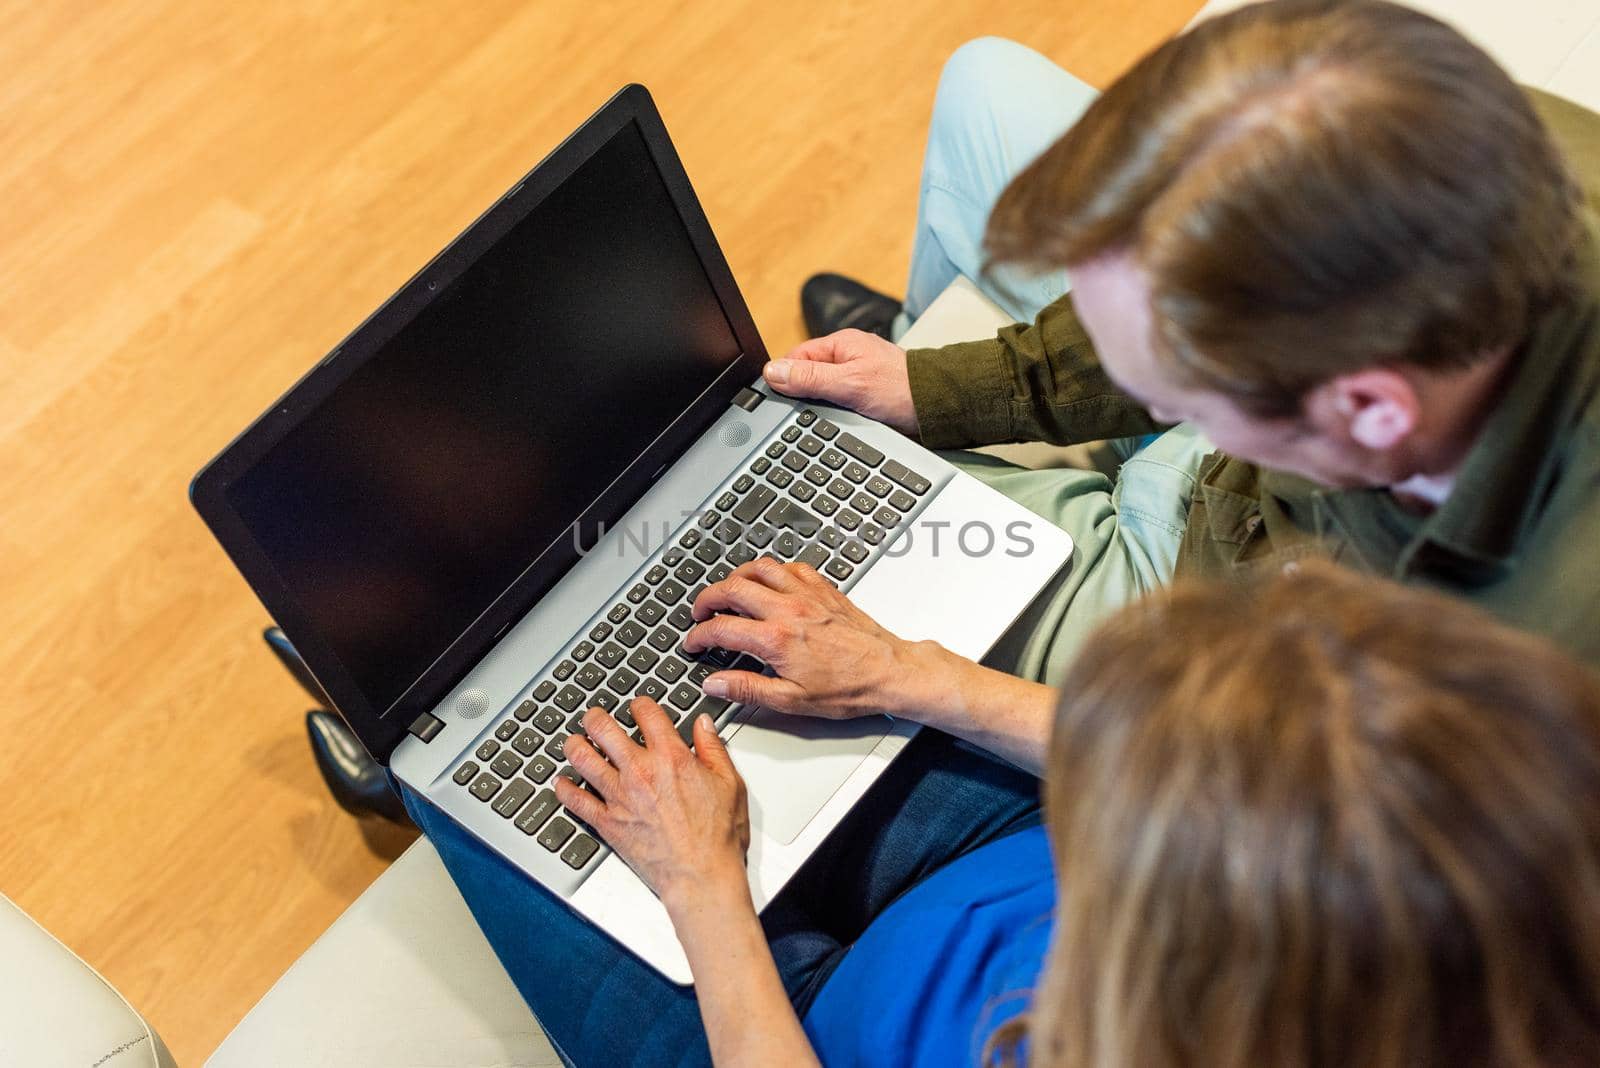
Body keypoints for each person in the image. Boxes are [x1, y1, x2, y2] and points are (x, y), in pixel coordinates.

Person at [407, 563, 1600, 1066]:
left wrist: (702, 888)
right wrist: (904, 674)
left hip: (805, 1027)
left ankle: (406, 751)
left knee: (458, 773)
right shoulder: (1519, 844)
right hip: (998, 859)